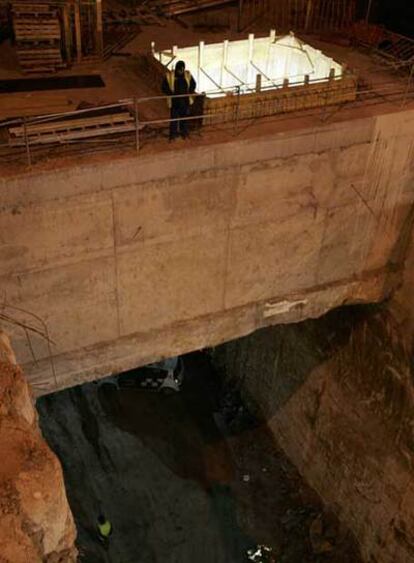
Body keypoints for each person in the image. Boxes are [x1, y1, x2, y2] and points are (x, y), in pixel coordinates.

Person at [161, 60, 196, 141]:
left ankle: (184, 133)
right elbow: (164, 87)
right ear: (176, 68)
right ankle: (173, 135)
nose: (181, 71)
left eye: (182, 70)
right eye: (180, 70)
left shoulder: (187, 75)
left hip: (185, 101)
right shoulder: (169, 76)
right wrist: (170, 93)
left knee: (184, 119)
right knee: (174, 120)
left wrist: (189, 92)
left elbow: (193, 84)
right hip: (175, 102)